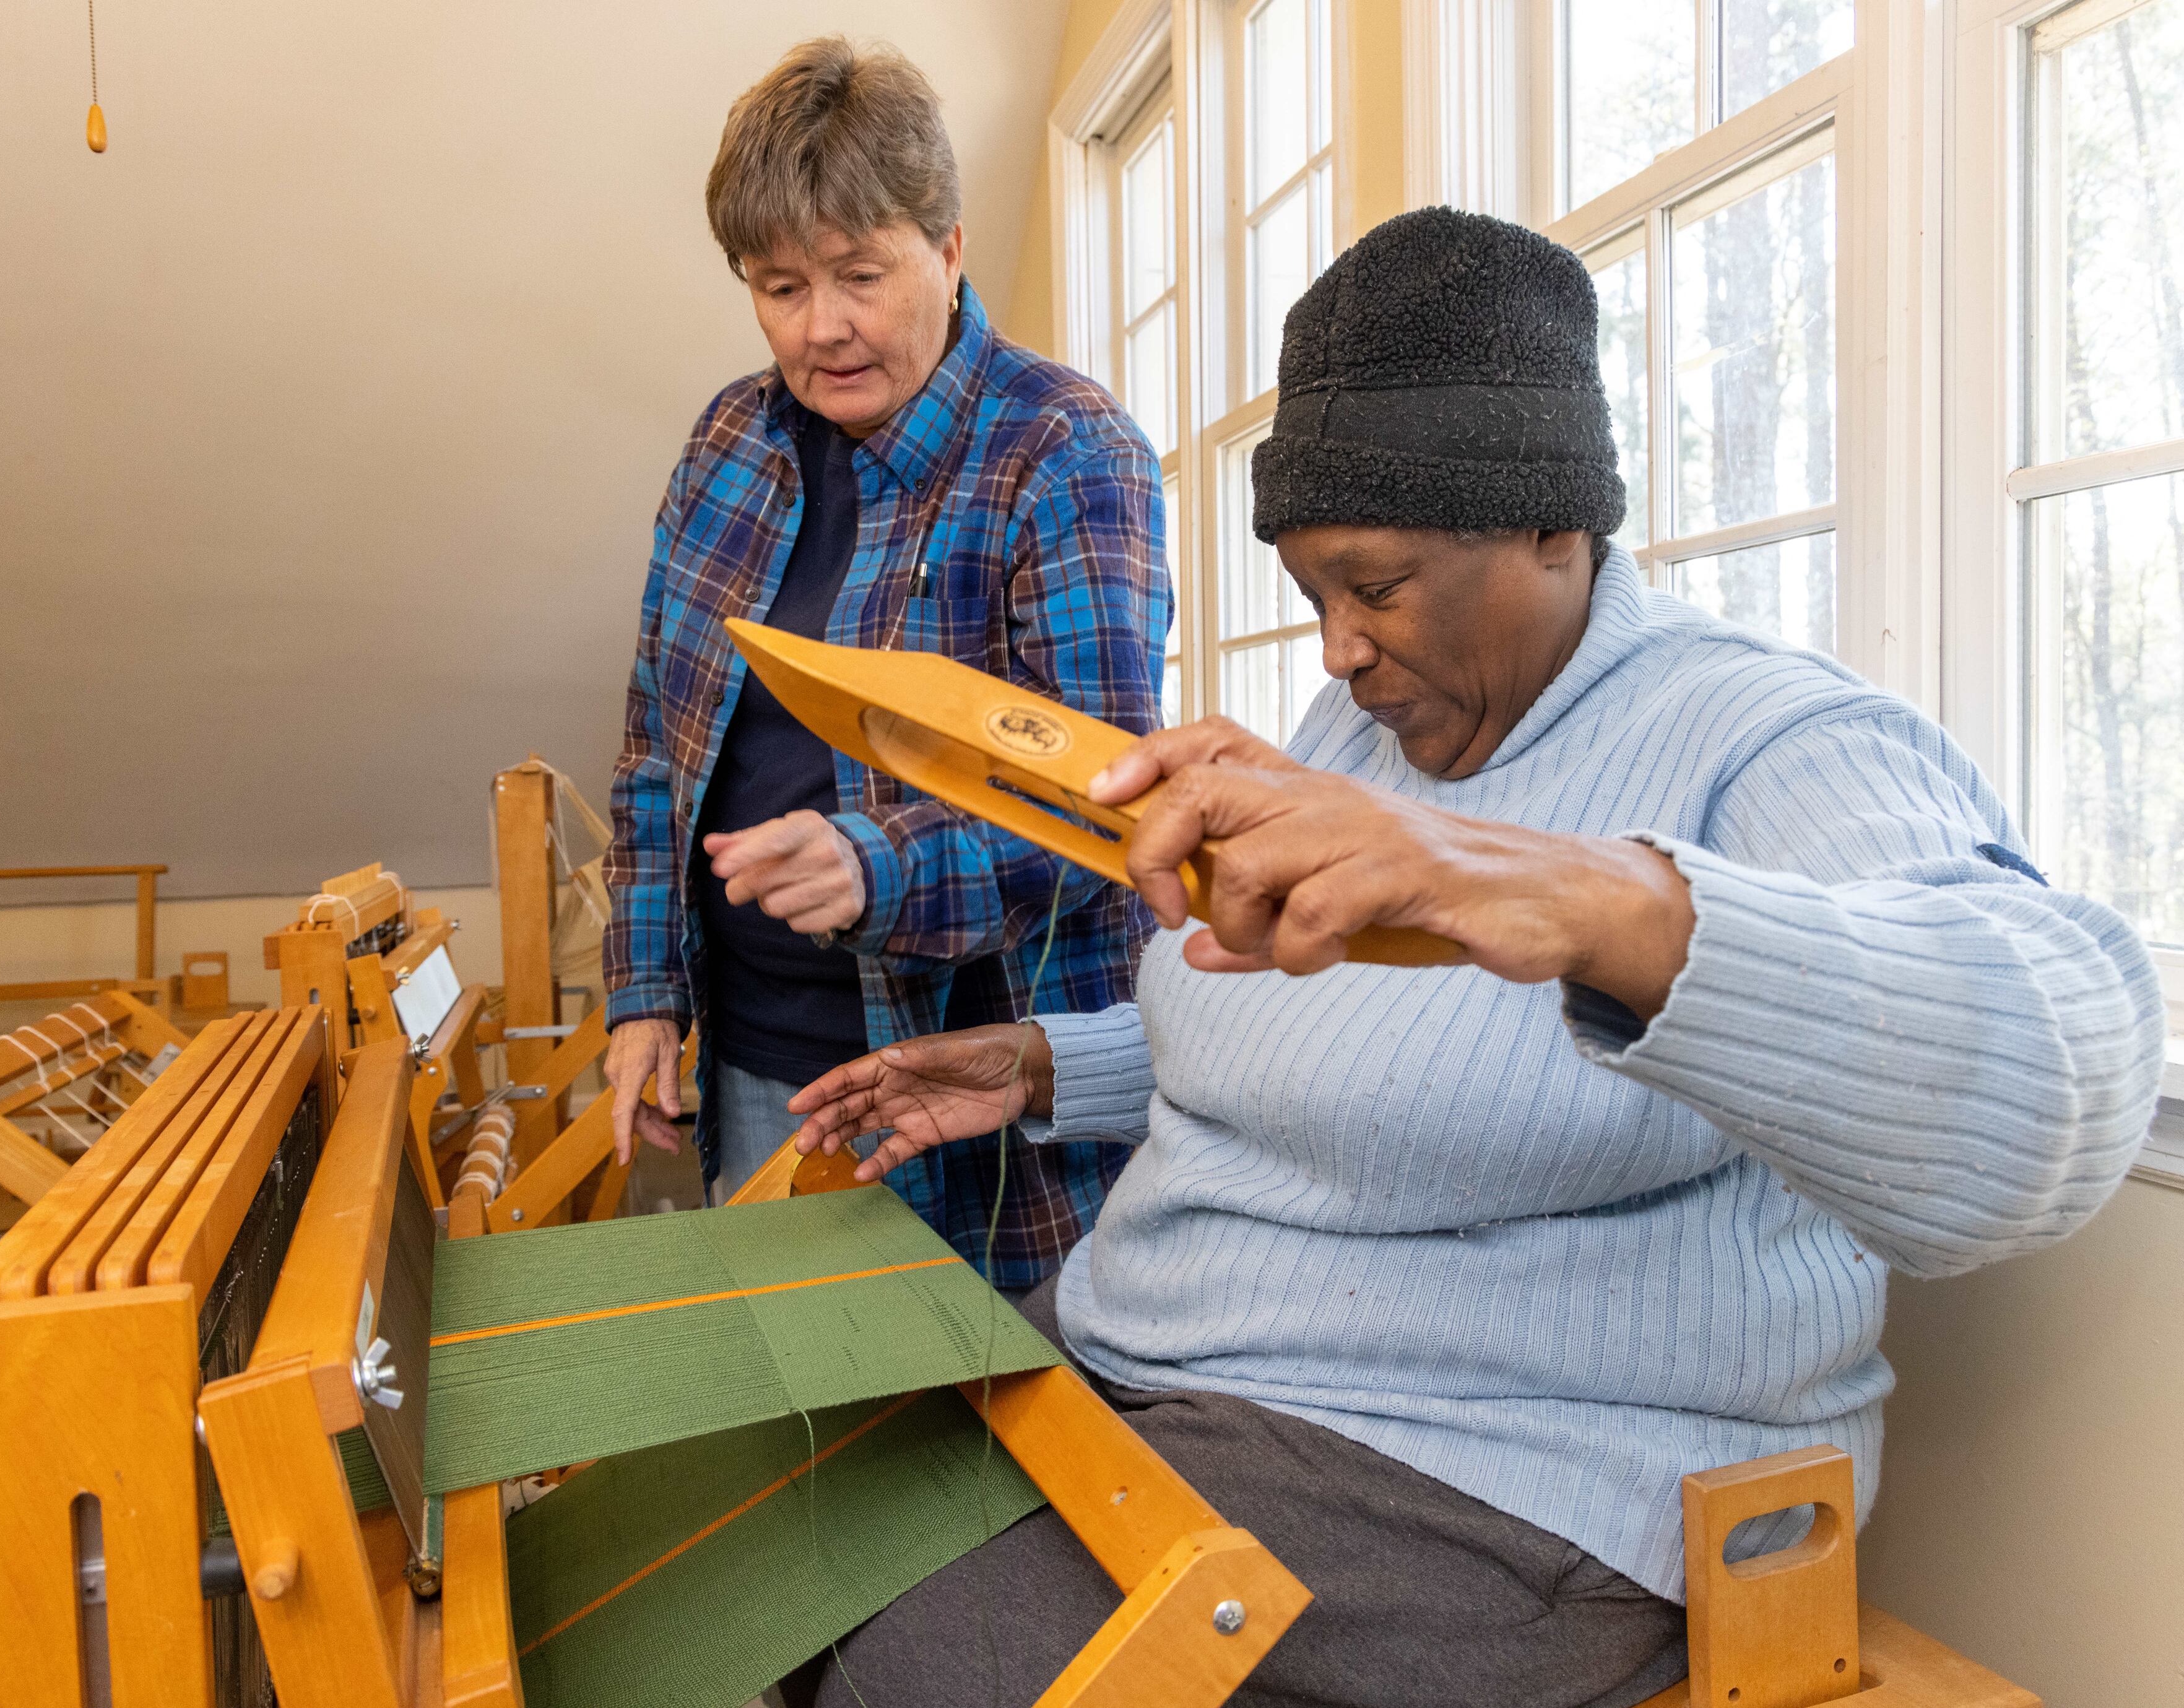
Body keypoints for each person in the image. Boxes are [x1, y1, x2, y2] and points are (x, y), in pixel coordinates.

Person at [783, 209, 2165, 1707]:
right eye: (1313, 597)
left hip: (1494, 1473)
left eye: (1374, 588)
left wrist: (1596, 898)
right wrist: (1062, 1061)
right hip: (1160, 1365)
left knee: (910, 1672)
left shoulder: (1777, 737)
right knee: (777, 1533)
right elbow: (1353, 1039)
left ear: (1556, 529)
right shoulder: (1366, 721)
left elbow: (2063, 1076)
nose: (1334, 651)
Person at [600, 38, 1169, 1285]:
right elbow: (659, 747)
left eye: (863, 274)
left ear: (950, 245)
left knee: (980, 1456)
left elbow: (1098, 807)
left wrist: (876, 867)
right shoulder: (726, 444)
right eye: (780, 285)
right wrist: (645, 993)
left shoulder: (1066, 454)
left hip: (970, 1083)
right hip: (759, 1060)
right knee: (806, 1433)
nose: (825, 328)